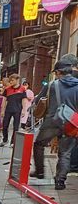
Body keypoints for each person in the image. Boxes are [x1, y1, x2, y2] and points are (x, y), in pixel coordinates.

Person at [31, 54, 78, 190]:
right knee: (65, 153)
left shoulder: (52, 85)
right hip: (70, 124)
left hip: (52, 121)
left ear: (58, 72)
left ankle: (40, 172)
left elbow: (38, 100)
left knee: (39, 144)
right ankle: (60, 181)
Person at [0, 74, 26, 147]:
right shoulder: (7, 89)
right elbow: (4, 101)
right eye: (10, 80)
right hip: (8, 110)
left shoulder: (22, 89)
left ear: (17, 80)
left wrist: (24, 110)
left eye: (12, 80)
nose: (11, 82)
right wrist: (2, 110)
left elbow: (24, 100)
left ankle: (13, 142)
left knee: (16, 127)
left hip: (17, 110)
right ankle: (5, 140)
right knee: (4, 126)